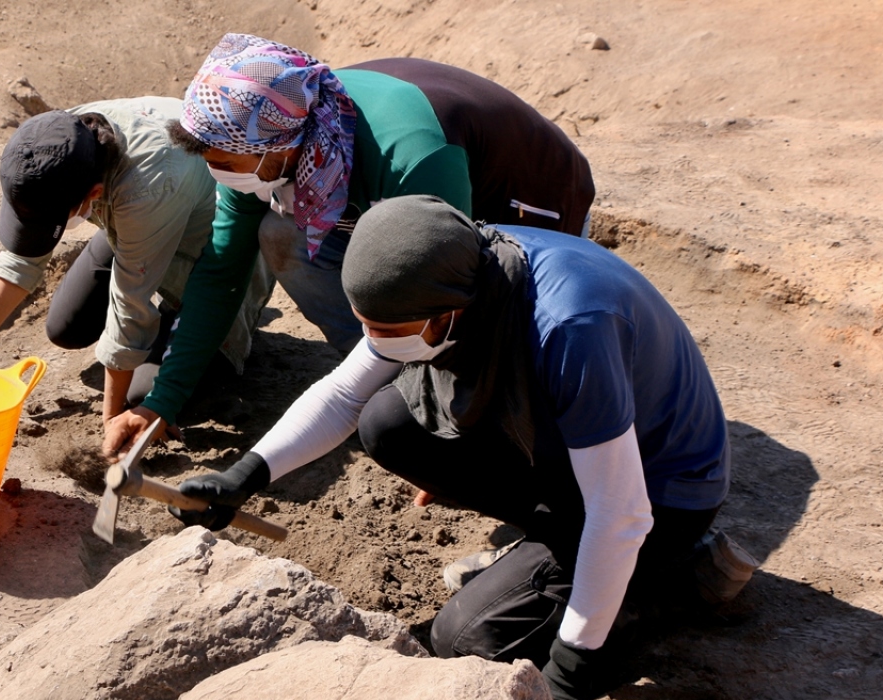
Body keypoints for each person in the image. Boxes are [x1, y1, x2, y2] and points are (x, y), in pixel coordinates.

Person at [170, 195, 747, 700]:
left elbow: (620, 512)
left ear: (447, 313)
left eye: (385, 330)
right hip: (580, 458)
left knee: (465, 639)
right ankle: (551, 559)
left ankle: (664, 584)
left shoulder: (571, 328)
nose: (374, 340)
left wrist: (571, 675)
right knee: (389, 423)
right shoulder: (464, 263)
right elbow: (345, 394)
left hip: (663, 492)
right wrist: (244, 475)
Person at [103, 33, 596, 460]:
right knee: (282, 234)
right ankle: (390, 380)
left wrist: (464, 418)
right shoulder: (263, 132)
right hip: (401, 190)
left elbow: (465, 288)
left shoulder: (412, 158)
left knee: (498, 326)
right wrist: (161, 401)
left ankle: (459, 411)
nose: (222, 174)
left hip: (526, 204)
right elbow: (220, 272)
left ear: (280, 143)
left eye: (227, 161)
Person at [0, 99, 273, 425]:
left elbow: (129, 304)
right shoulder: (57, 140)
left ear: (94, 192)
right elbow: (22, 257)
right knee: (66, 328)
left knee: (141, 397)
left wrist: (110, 419)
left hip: (214, 249)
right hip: (143, 219)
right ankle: (161, 321)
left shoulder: (146, 184)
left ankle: (206, 326)